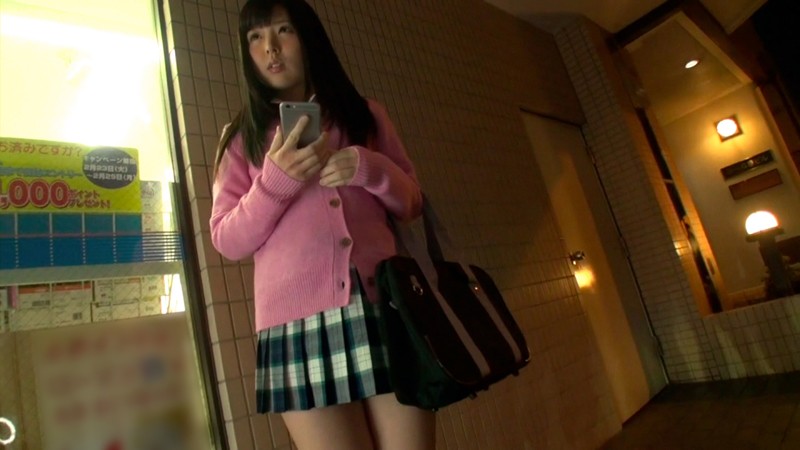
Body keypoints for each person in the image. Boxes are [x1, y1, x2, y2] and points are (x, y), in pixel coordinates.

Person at [209, 1, 435, 449]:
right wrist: (274, 182)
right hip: (292, 326)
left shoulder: (363, 115)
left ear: (308, 37)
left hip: (382, 305)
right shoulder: (240, 137)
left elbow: (412, 203)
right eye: (255, 37)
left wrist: (368, 167)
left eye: (283, 30)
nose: (270, 48)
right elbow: (226, 239)